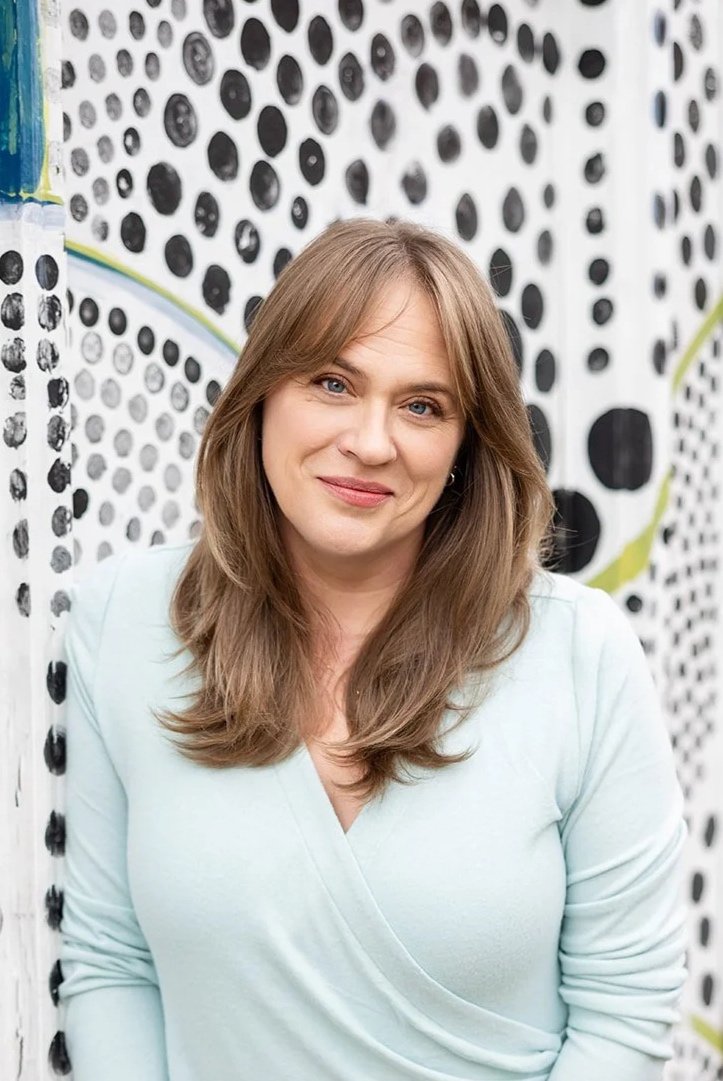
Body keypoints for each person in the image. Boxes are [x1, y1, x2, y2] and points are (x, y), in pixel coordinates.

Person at [58, 217, 688, 1081]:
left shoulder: (581, 653)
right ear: (262, 394)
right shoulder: (122, 620)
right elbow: (112, 963)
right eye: (331, 382)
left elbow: (626, 1010)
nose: (370, 441)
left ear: (468, 443)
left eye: (422, 405)